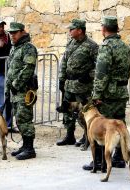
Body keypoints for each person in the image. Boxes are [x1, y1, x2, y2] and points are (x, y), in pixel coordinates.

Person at [83, 16, 130, 171]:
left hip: (108, 95)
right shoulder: (126, 47)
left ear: (103, 29)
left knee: (102, 127)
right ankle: (119, 158)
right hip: (121, 92)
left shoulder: (107, 47)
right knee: (119, 125)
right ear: (116, 29)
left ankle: (98, 161)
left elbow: (101, 74)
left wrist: (96, 95)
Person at [56, 19, 98, 147]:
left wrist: (88, 76)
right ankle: (69, 135)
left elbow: (99, 66)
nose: (69, 31)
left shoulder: (92, 46)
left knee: (84, 112)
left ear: (80, 30)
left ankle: (87, 136)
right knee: (68, 111)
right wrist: (62, 79)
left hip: (82, 85)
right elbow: (64, 62)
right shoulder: (71, 43)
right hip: (69, 83)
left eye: (72, 29)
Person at [5, 22, 38, 160]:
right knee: (19, 119)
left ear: (22, 32)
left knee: (25, 119)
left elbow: (28, 69)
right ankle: (25, 146)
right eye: (11, 33)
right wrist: (8, 88)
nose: (12, 35)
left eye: (15, 32)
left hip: (24, 90)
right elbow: (10, 70)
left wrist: (16, 84)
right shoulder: (14, 48)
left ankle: (30, 149)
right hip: (15, 90)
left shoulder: (28, 48)